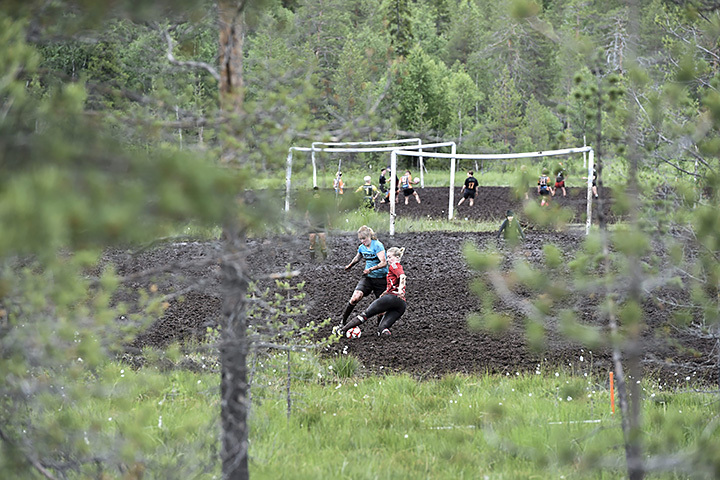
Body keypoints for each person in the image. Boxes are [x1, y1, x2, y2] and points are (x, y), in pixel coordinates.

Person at [334, 246, 406, 337]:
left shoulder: (395, 265)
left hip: (392, 298)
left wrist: (400, 290)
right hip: (401, 305)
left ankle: (342, 330)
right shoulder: (395, 267)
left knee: (365, 315)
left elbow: (402, 277)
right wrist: (385, 293)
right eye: (387, 257)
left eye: (390, 257)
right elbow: (394, 283)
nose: (388, 260)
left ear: (397, 257)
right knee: (382, 329)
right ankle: (385, 337)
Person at [335, 225, 388, 328]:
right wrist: (350, 265)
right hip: (368, 278)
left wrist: (371, 269)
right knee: (355, 298)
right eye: (360, 239)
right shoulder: (362, 247)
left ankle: (380, 328)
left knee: (382, 309)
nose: (362, 241)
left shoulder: (377, 245)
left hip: (381, 279)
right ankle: (343, 322)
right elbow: (357, 257)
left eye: (364, 239)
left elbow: (383, 263)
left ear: (369, 236)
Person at [306, 187, 329, 261]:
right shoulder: (310, 204)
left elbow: (326, 214)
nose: (316, 196)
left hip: (321, 224)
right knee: (312, 241)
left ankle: (325, 258)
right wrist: (308, 223)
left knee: (322, 240)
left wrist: (329, 223)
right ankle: (312, 259)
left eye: (318, 195)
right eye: (315, 195)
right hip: (312, 224)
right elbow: (307, 214)